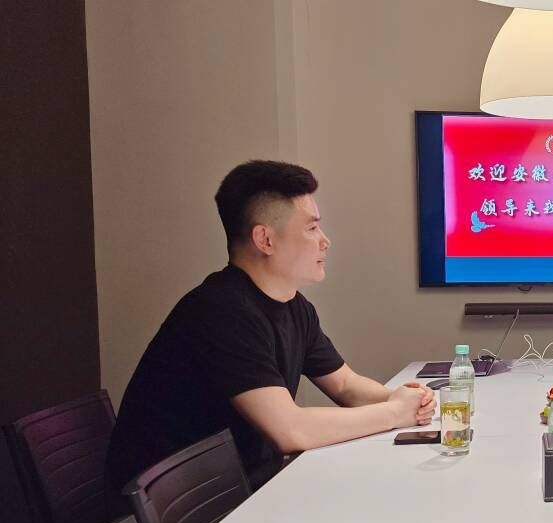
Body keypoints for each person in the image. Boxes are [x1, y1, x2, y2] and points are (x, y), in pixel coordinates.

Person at [107, 161, 435, 492]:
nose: (325, 241)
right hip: (181, 509)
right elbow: (290, 430)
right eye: (312, 228)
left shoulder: (294, 306)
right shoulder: (222, 311)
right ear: (265, 239)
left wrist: (402, 398)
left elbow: (345, 384)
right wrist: (394, 413)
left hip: (240, 491)